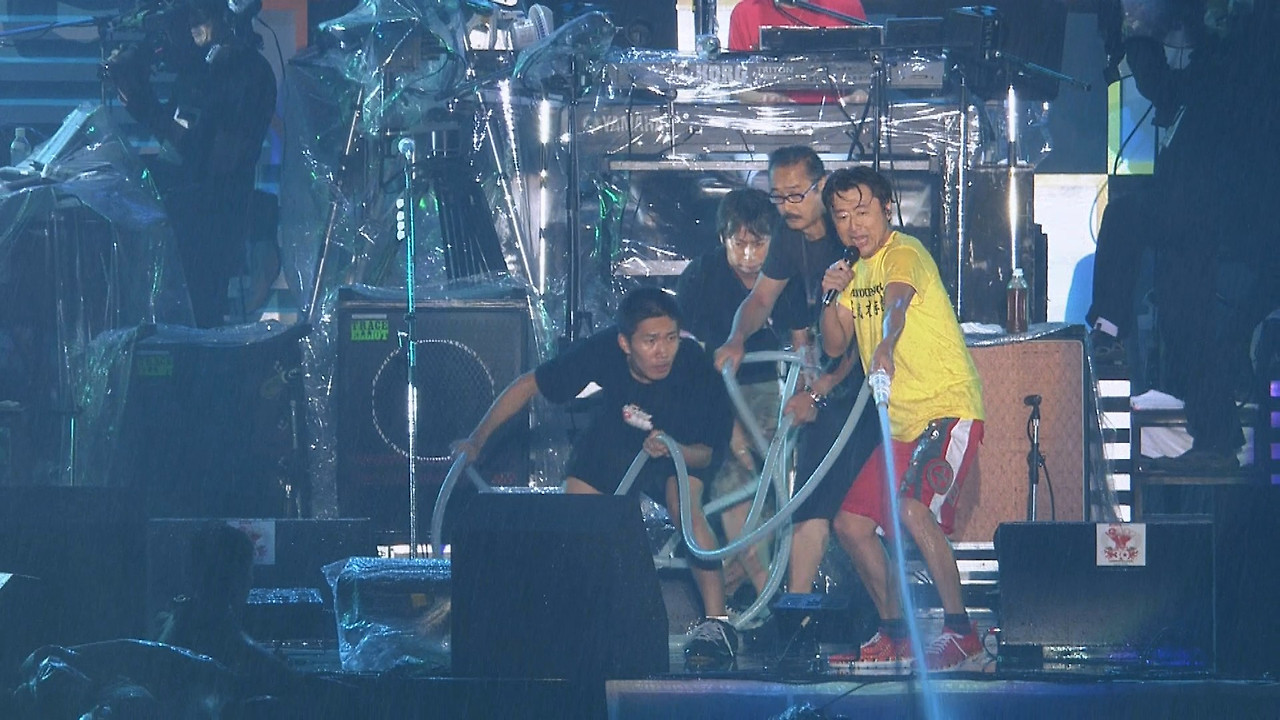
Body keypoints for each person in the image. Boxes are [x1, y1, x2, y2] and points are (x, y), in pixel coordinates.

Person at [455, 287, 738, 669]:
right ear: (625, 343)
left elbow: (706, 452)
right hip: (624, 433)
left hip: (684, 445)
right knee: (578, 508)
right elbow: (528, 385)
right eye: (650, 341)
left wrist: (672, 448)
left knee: (682, 504)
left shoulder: (695, 370)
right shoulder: (602, 349)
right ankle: (585, 609)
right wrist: (477, 440)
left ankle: (718, 623)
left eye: (670, 338)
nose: (663, 352)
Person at [818, 166, 984, 671]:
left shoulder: (904, 252)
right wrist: (831, 295)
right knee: (850, 525)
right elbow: (834, 344)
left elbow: (897, 304)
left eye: (862, 211)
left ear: (886, 208)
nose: (854, 225)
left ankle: (962, 633)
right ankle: (897, 633)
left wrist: (887, 343)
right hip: (901, 426)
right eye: (841, 216)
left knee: (913, 510)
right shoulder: (854, 273)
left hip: (946, 408)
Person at [714, 146, 879, 599]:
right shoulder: (789, 239)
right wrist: (737, 338)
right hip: (830, 389)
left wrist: (820, 390)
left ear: (821, 186)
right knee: (811, 505)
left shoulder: (850, 241)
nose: (786, 207)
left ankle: (891, 617)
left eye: (795, 195)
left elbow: (866, 339)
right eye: (778, 197)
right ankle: (797, 609)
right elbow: (760, 299)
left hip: (868, 392)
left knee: (853, 518)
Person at [675, 187, 808, 606]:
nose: (749, 255)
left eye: (759, 243)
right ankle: (763, 598)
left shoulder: (784, 276)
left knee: (768, 485)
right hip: (707, 392)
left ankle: (750, 588)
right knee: (734, 481)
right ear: (723, 239)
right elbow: (684, 351)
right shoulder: (701, 277)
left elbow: (802, 342)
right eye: (740, 243)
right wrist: (729, 426)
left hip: (766, 388)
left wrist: (804, 389)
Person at [108, 0, 276, 327]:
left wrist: (150, 112)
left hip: (211, 230)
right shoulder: (196, 73)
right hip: (175, 225)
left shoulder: (249, 75)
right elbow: (177, 143)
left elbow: (221, 160)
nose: (189, 25)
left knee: (199, 326)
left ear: (229, 15)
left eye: (199, 15)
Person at [155, 521, 297, 700]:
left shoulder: (172, 621)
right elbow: (291, 681)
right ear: (239, 579)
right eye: (249, 571)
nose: (252, 579)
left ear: (189, 573)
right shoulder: (226, 638)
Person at [727, 0, 867, 52]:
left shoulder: (847, 7)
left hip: (840, 109)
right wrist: (764, 99)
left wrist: (861, 95)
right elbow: (738, 85)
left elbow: (869, 75)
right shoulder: (744, 13)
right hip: (772, 110)